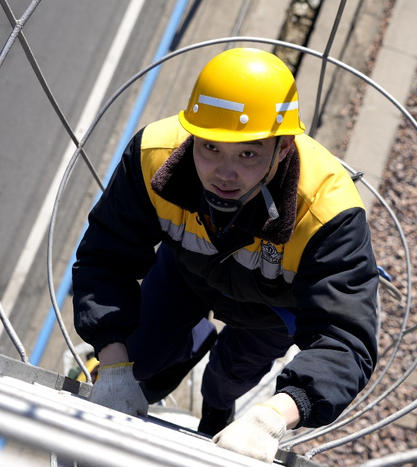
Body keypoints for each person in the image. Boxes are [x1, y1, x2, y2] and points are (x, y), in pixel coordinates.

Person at [72, 47, 378, 463]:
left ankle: (217, 407)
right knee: (139, 356)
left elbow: (345, 339)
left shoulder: (327, 211)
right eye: (210, 148)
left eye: (248, 153)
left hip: (270, 309)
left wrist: (273, 417)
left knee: (229, 376)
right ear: (191, 135)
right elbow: (106, 257)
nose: (224, 174)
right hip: (186, 272)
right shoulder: (153, 157)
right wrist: (112, 366)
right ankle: (184, 348)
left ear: (283, 147)